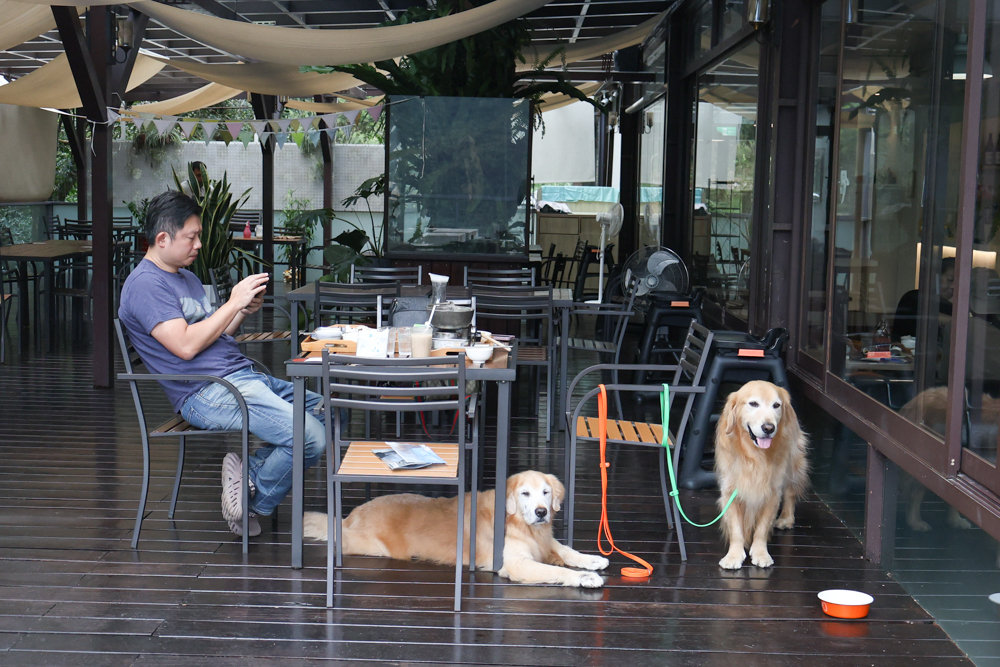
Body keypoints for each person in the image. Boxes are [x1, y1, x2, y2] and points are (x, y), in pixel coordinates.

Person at [118, 190, 326, 538]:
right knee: (310, 437)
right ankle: (252, 497)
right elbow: (185, 346)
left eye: (199, 235)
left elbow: (212, 333)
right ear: (162, 239)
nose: (199, 244)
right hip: (206, 391)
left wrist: (241, 310)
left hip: (238, 376)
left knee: (327, 410)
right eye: (192, 237)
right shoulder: (145, 285)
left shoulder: (184, 277)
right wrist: (232, 303)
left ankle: (246, 479)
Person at [891, 256, 955, 341]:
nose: (953, 286)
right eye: (950, 279)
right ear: (936, 278)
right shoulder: (915, 298)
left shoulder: (952, 307)